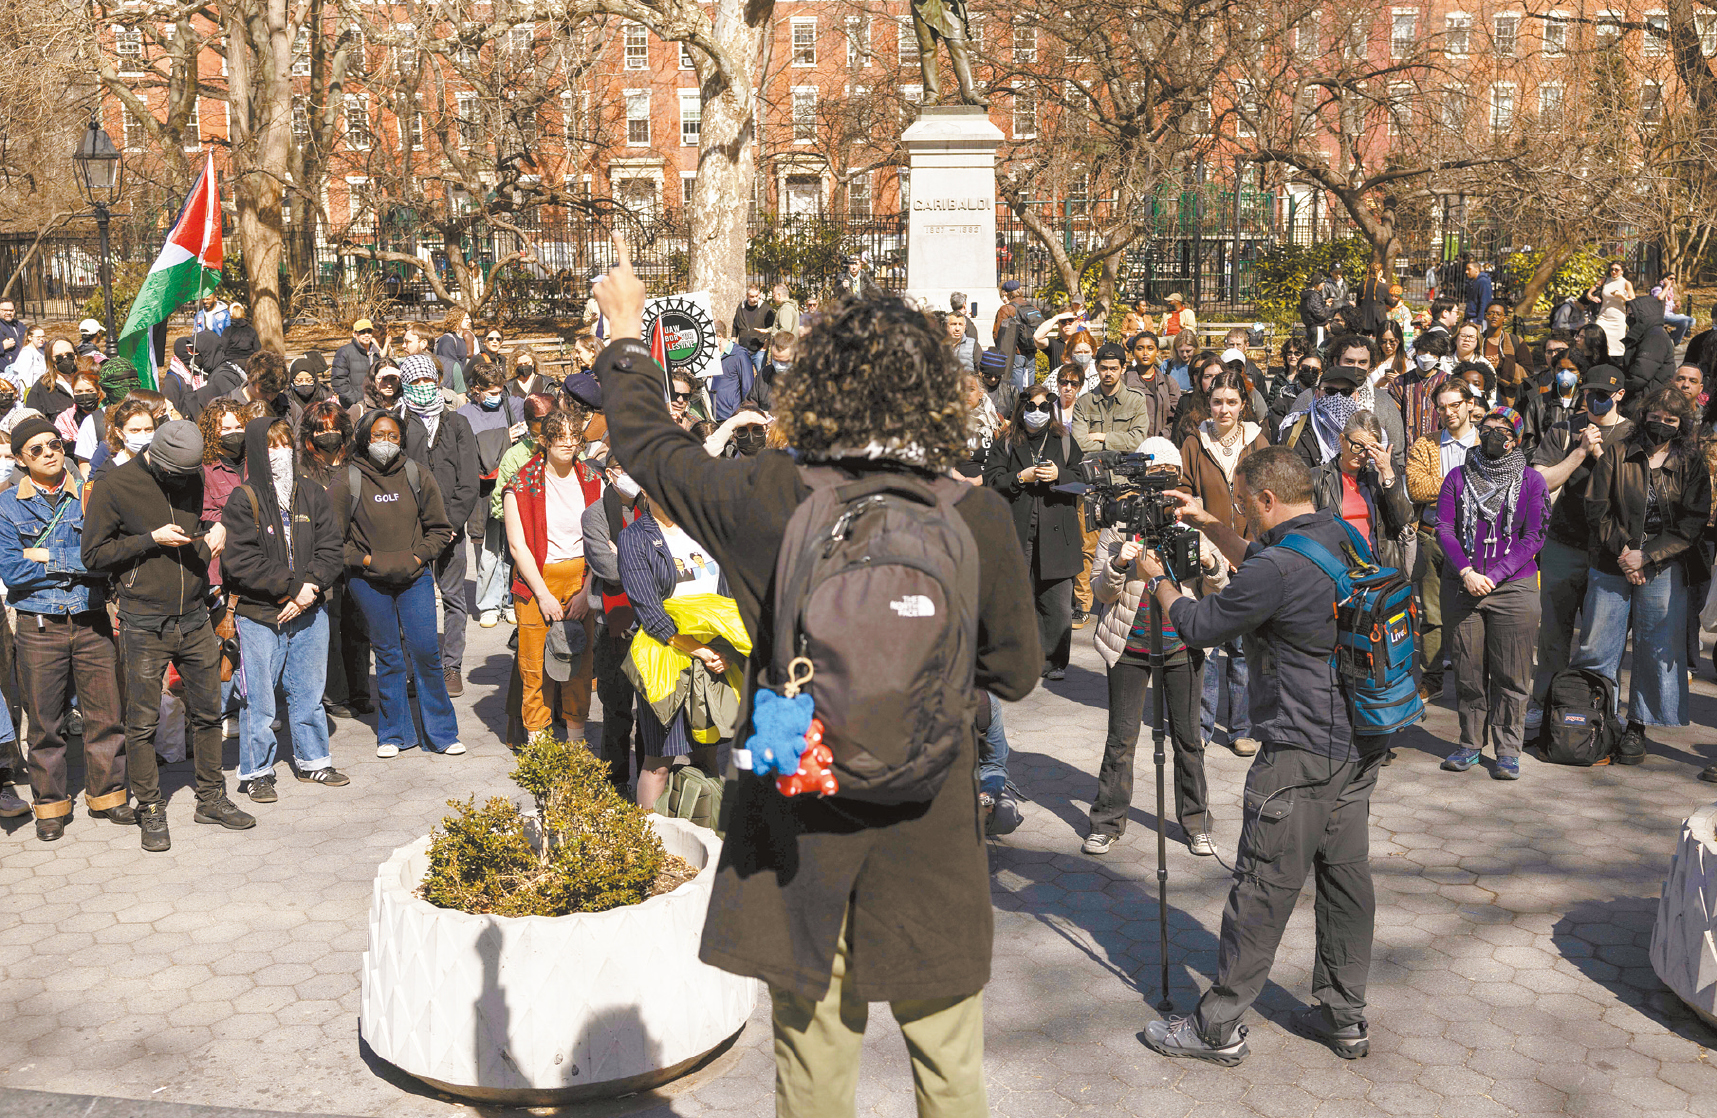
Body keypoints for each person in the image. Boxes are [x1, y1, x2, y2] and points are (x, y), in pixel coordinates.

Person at [594, 241, 1038, 1116]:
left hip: (797, 805)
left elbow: (651, 447)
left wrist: (625, 334)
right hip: (930, 816)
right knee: (949, 1068)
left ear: (818, 385)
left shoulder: (769, 492)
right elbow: (1016, 674)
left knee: (812, 1067)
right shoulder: (976, 514)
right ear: (934, 391)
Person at [1138, 447, 1391, 1066]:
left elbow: (1200, 625)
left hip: (1300, 752)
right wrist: (1208, 523)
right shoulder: (1339, 534)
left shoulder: (1277, 568)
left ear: (1268, 499)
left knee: (1261, 888)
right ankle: (1344, 1017)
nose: (1240, 509)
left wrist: (1158, 579)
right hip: (1359, 740)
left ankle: (1216, 1027)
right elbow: (1267, 565)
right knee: (1346, 880)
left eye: (1243, 501)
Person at [82, 419, 253, 852]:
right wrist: (149, 539)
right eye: (174, 474)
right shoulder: (114, 485)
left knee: (209, 714)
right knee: (142, 723)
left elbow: (203, 523)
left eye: (188, 475)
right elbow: (94, 555)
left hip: (194, 615)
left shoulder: (192, 475)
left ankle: (211, 798)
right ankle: (150, 807)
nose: (182, 482)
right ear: (155, 458)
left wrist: (217, 531)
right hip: (143, 620)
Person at [1086, 441, 1228, 858]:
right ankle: (1106, 822)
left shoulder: (1190, 523)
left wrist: (1210, 564)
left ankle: (1196, 824)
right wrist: (1118, 564)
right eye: (1153, 474)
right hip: (1129, 645)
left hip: (1181, 644)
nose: (1160, 485)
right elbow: (1100, 592)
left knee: (1188, 739)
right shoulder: (1119, 525)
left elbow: (1222, 588)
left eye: (1168, 473)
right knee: (1121, 738)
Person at [0, 417, 126, 839]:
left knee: (105, 716)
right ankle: (51, 806)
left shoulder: (90, 496)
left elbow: (104, 558)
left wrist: (43, 556)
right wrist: (75, 559)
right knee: (44, 723)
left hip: (91, 619)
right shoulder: (6, 506)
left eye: (53, 443)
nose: (48, 453)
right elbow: (12, 571)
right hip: (39, 625)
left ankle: (108, 796)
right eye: (36, 449)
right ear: (21, 459)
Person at [1570, 388, 1710, 764]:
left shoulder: (1690, 462)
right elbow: (1596, 506)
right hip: (1612, 560)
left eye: (1671, 419)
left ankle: (1637, 727)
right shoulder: (1618, 452)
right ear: (1643, 415)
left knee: (1654, 648)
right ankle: (1597, 721)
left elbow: (1693, 520)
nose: (1661, 424)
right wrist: (1625, 553)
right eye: (1656, 416)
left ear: (1682, 424)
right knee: (1599, 646)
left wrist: (1647, 556)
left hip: (1664, 564)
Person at [220, 417, 347, 802]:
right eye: (272, 446)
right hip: (261, 615)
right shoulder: (243, 498)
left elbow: (332, 547)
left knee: (309, 693)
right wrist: (292, 588)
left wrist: (310, 588)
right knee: (258, 701)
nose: (280, 453)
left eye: (285, 444)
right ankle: (257, 772)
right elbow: (241, 561)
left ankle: (314, 762)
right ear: (258, 451)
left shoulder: (311, 492)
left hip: (310, 611)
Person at [328, 411, 462, 759]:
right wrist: (367, 561)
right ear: (364, 438)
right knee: (388, 655)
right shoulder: (347, 480)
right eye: (378, 435)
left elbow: (439, 528)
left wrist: (417, 558)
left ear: (401, 439)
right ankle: (394, 733)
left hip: (415, 578)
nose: (385, 442)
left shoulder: (417, 474)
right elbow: (333, 541)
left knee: (426, 652)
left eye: (392, 435)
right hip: (368, 582)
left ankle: (442, 734)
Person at [1435, 406, 1547, 780]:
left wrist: (1495, 575)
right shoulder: (1457, 477)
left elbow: (1534, 536)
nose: (1492, 435)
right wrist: (1466, 571)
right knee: (1468, 672)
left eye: (1501, 430)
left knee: (1512, 674)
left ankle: (1508, 751)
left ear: (1515, 439)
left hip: (1513, 587)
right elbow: (1444, 529)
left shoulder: (1532, 481)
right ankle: (1470, 744)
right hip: (1464, 583)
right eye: (1486, 428)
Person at [1525, 364, 1633, 732]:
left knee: (1602, 639)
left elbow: (1631, 491)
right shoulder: (1563, 429)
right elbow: (1541, 482)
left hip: (1609, 550)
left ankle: (1603, 708)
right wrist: (1579, 452)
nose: (1593, 399)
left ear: (1619, 395)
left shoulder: (1632, 434)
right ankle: (1543, 702)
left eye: (1603, 394)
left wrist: (1601, 455)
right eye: (1589, 392)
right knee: (1553, 632)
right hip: (1563, 543)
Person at [617, 484, 737, 807]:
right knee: (658, 761)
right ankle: (646, 835)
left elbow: (729, 594)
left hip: (713, 655)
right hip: (666, 657)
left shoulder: (705, 529)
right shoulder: (635, 537)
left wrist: (725, 649)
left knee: (707, 754)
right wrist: (699, 650)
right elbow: (649, 611)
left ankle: (706, 825)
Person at [1179, 369, 1269, 758]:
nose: (1224, 409)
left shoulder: (1258, 441)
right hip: (1207, 556)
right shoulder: (1193, 443)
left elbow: (1269, 498)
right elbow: (1185, 497)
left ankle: (1241, 728)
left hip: (1249, 557)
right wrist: (1211, 550)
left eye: (1232, 402)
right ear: (1208, 404)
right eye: (1217, 402)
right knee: (1208, 646)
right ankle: (1200, 725)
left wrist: (1247, 549)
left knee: (1243, 649)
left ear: (1243, 405)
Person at [504, 408, 602, 747]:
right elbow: (518, 547)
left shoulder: (592, 480)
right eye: (560, 437)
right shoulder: (521, 484)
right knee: (534, 666)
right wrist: (543, 595)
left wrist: (587, 591)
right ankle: (539, 745)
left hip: (580, 578)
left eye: (575, 437)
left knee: (579, 663)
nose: (569, 443)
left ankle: (576, 742)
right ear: (545, 440)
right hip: (536, 581)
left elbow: (601, 541)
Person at [987, 382, 1084, 680]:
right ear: (1021, 409)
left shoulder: (1063, 440)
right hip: (1017, 529)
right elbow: (992, 481)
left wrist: (1059, 475)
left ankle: (1054, 661)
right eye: (1031, 406)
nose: (1037, 412)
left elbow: (1083, 480)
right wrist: (1020, 477)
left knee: (1056, 602)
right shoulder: (1006, 441)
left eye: (1043, 407)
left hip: (1056, 532)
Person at [399, 354, 479, 696]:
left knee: (453, 598)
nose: (422, 387)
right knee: (410, 601)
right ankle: (416, 670)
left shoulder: (457, 422)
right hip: (410, 531)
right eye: (415, 382)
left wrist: (450, 524)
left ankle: (451, 667)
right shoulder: (397, 424)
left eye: (427, 380)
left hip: (451, 530)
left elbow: (469, 480)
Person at [1405, 380, 1481, 701]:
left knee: (1475, 613)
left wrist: (1442, 486)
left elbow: (1496, 484)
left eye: (1455, 405)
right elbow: (1416, 487)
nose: (1448, 412)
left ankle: (1473, 682)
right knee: (1432, 615)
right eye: (1442, 407)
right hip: (1433, 535)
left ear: (1470, 404)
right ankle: (1432, 678)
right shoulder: (1425, 444)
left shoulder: (1485, 442)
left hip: (1476, 539)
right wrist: (1463, 482)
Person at [298, 401, 372, 720]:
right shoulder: (302, 468)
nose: (327, 435)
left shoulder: (356, 464)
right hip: (321, 556)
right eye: (320, 429)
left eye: (333, 428)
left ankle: (360, 690)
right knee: (329, 625)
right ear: (310, 434)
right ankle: (335, 694)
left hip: (356, 553)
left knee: (358, 624)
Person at [580, 453, 644, 792]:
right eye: (625, 469)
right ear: (610, 473)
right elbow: (608, 569)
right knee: (616, 709)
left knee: (651, 711)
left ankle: (650, 785)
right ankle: (616, 783)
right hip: (612, 622)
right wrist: (641, 560)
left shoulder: (654, 509)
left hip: (651, 620)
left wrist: (624, 553)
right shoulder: (595, 515)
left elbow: (670, 564)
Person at [457, 363, 527, 628]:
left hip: (511, 487)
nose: (497, 396)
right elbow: (467, 451)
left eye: (500, 391)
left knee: (511, 547)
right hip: (482, 491)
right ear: (476, 389)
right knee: (487, 550)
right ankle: (488, 604)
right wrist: (503, 437)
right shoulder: (464, 414)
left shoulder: (513, 406)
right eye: (491, 392)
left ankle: (510, 601)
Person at [1310, 409, 1414, 572]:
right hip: (1337, 564)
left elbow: (1403, 519)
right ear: (1342, 439)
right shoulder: (1317, 478)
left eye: (1369, 449)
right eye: (1357, 446)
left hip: (1377, 562)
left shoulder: (1378, 477)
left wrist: (1387, 473)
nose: (1362, 454)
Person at [1622, 294, 1677, 404]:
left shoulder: (1655, 336)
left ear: (1644, 315)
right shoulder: (1646, 333)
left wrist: (1621, 389)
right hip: (1646, 395)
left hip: (1648, 399)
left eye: (1632, 314)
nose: (1628, 318)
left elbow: (1640, 376)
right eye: (1627, 314)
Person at [331, 318, 383, 407]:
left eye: (369, 331)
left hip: (376, 404)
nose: (366, 335)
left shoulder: (375, 352)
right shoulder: (344, 352)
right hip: (353, 406)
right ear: (354, 334)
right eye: (362, 332)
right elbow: (338, 381)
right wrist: (356, 400)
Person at [731, 286, 776, 373]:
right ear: (747, 295)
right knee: (745, 376)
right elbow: (735, 325)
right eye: (752, 296)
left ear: (759, 294)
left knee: (761, 375)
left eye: (756, 296)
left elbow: (770, 329)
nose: (755, 299)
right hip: (743, 350)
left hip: (759, 350)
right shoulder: (741, 307)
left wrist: (764, 348)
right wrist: (733, 344)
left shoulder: (766, 308)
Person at [1463, 260, 1493, 325]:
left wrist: (1479, 321)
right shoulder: (1472, 282)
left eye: (1469, 269)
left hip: (1477, 319)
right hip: (1471, 317)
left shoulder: (1483, 282)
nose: (1466, 272)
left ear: (1476, 269)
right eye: (1466, 269)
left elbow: (1484, 302)